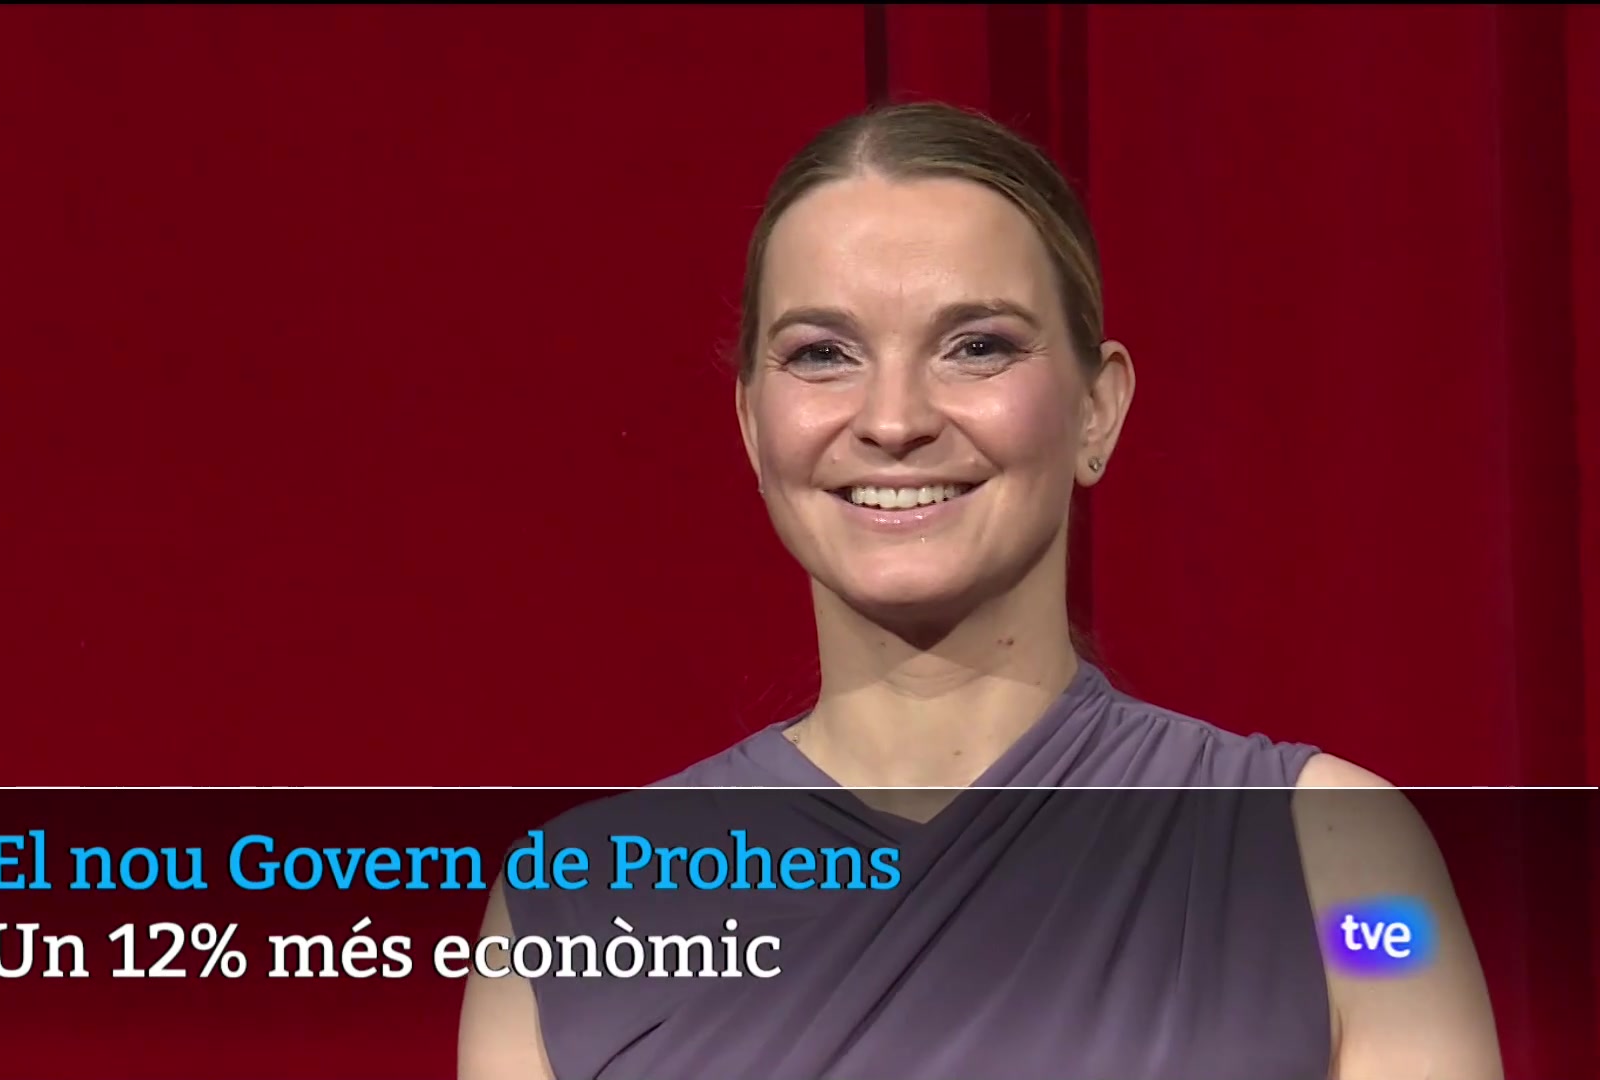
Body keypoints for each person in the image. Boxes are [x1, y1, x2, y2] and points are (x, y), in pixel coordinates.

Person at [457, 102, 1501, 1079]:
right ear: (750, 424)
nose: (894, 419)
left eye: (977, 347)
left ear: (1097, 409)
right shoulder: (570, 907)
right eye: (823, 353)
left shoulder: (1335, 861)